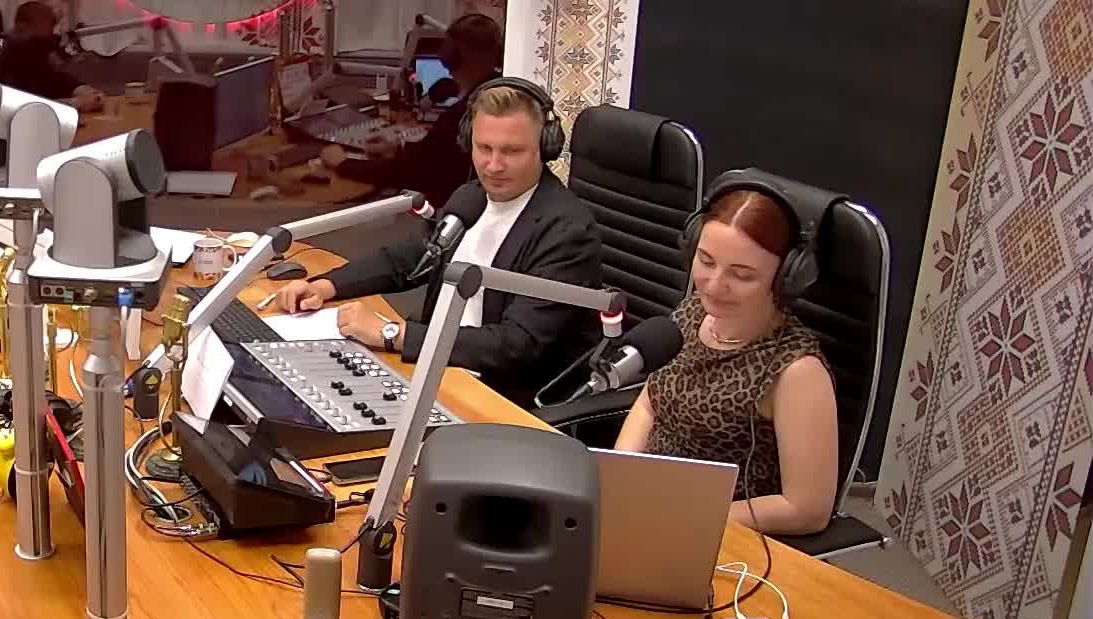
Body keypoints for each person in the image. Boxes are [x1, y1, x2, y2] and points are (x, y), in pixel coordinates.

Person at [272, 79, 604, 407]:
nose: (493, 165)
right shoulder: (472, 197)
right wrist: (326, 285)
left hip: (500, 394)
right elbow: (413, 258)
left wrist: (393, 334)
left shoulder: (567, 231)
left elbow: (516, 344)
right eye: (484, 148)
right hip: (438, 363)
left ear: (544, 148)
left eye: (512, 151)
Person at [614, 185, 840, 534]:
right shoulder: (693, 312)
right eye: (706, 261)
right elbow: (649, 404)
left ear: (784, 278)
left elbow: (806, 509)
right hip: (647, 506)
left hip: (717, 533)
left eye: (742, 274)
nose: (714, 285)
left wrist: (682, 518)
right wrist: (619, 476)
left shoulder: (796, 371)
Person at [335, 12, 503, 206]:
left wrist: (342, 164)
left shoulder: (462, 116)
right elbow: (436, 157)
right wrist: (397, 150)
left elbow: (411, 172)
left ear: (451, 54)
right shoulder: (499, 95)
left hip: (448, 210)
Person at [0, 0, 105, 112]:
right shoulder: (4, 57)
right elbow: (21, 107)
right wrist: (76, 103)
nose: (52, 33)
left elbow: (51, 80)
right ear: (22, 27)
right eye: (48, 24)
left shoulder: (34, 52)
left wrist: (80, 89)